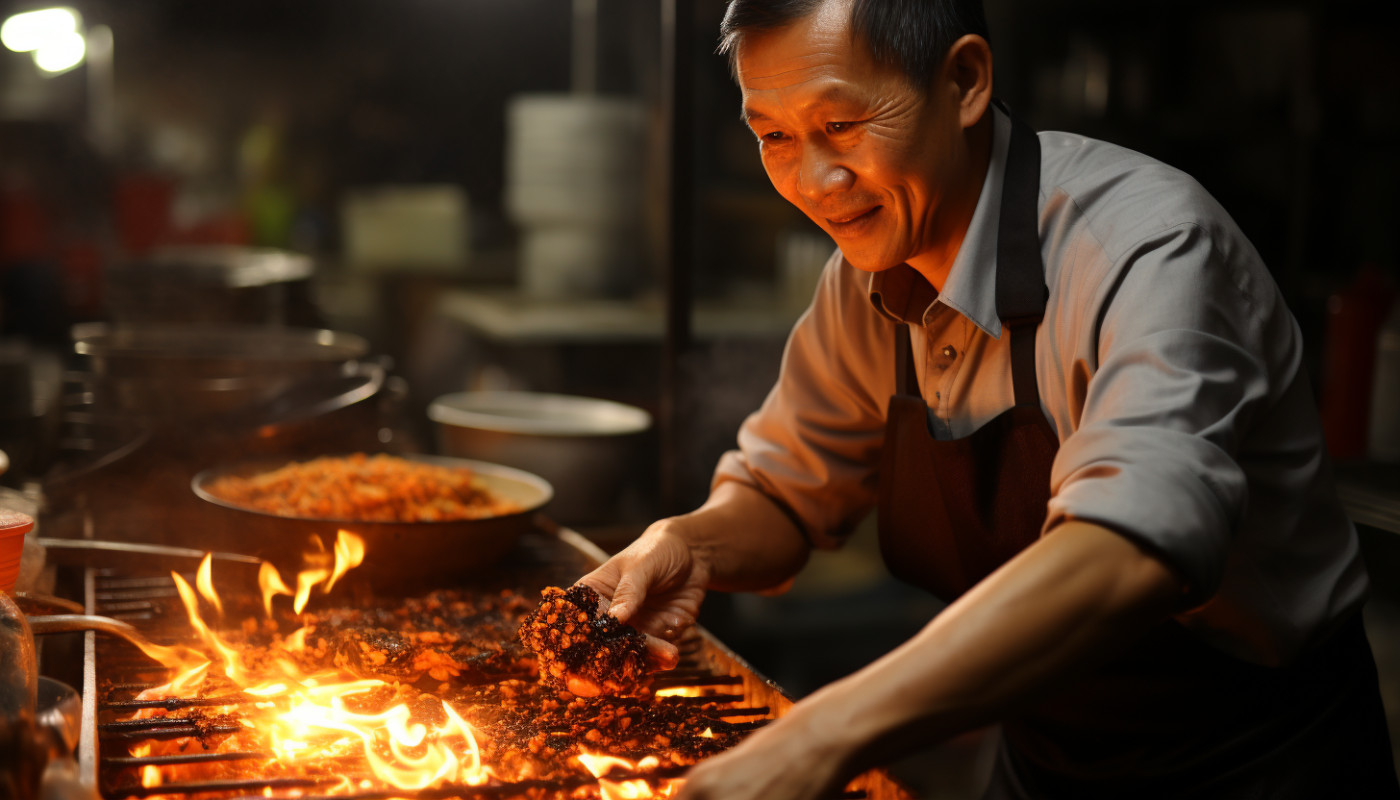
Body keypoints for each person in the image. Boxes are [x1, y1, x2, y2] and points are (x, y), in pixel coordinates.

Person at [578, 0, 1400, 797]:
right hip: (1043, 753)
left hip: (1249, 757)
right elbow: (785, 497)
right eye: (774, 136)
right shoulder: (865, 280)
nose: (816, 180)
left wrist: (821, 734)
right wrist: (688, 542)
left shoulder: (1148, 248)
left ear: (965, 80)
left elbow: (1131, 552)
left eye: (841, 125)